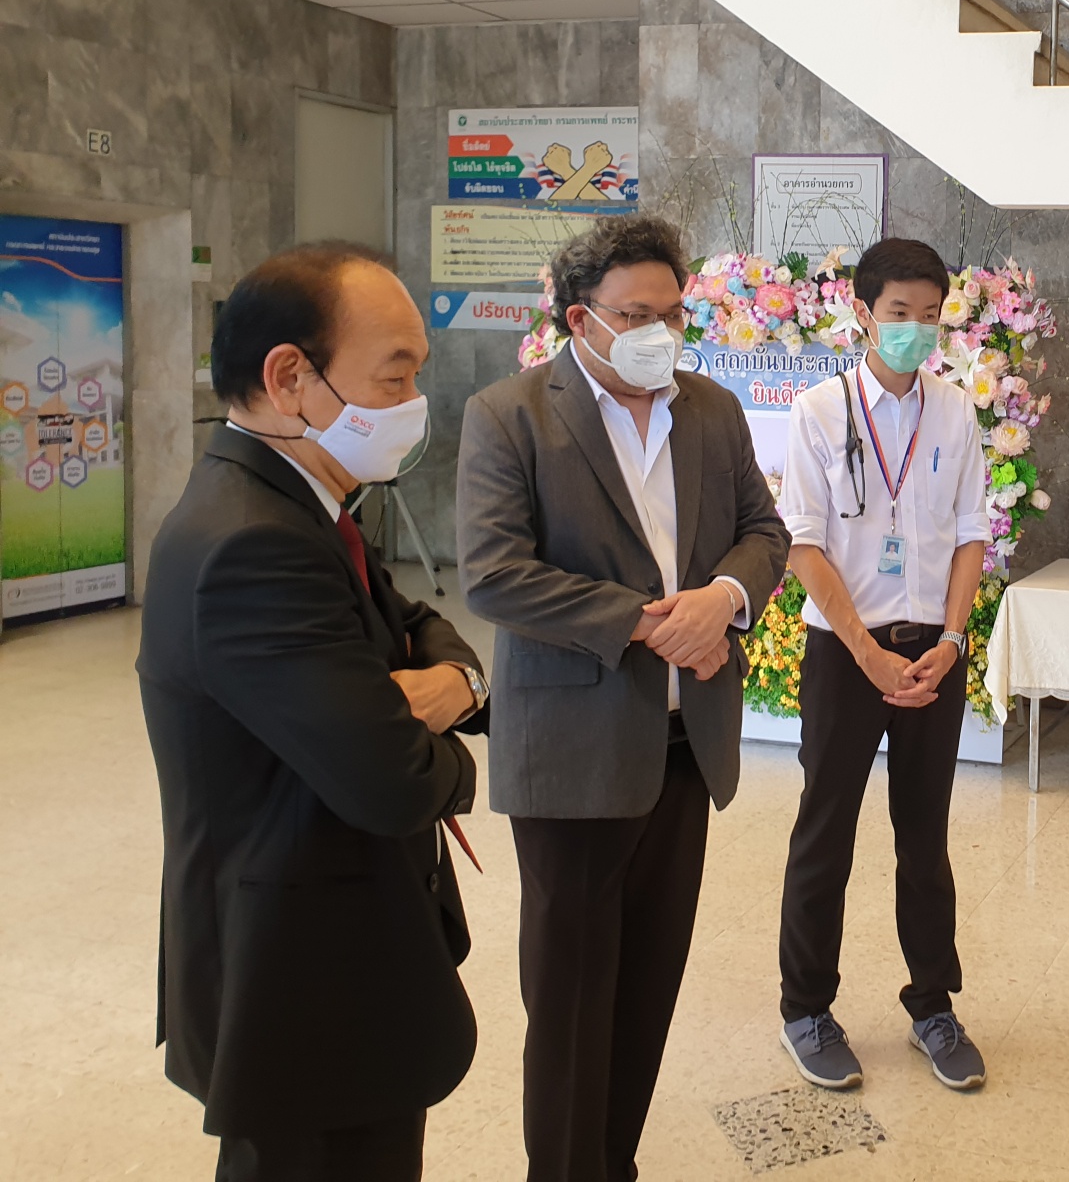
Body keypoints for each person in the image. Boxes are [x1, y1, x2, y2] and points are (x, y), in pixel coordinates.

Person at [138, 243, 489, 1182]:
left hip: (337, 961)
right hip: (301, 984)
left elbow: (415, 624)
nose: (414, 401)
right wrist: (450, 755)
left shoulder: (299, 498)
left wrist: (462, 687)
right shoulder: (250, 543)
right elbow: (392, 781)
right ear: (291, 377)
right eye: (395, 376)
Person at [456, 214, 789, 1182]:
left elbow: (765, 531)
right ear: (581, 319)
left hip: (687, 745)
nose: (660, 332)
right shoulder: (511, 414)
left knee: (647, 986)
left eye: (673, 313)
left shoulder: (712, 409)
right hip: (574, 747)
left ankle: (616, 1164)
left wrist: (724, 599)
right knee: (570, 999)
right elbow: (494, 574)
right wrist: (647, 623)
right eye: (636, 315)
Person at [774, 237, 990, 1093]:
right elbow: (802, 544)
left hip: (933, 652)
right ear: (864, 314)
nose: (915, 329)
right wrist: (865, 652)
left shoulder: (956, 412)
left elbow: (970, 535)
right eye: (899, 313)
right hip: (846, 652)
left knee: (924, 838)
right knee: (824, 832)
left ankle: (933, 1005)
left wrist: (951, 640)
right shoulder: (819, 412)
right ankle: (806, 1009)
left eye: (930, 315)